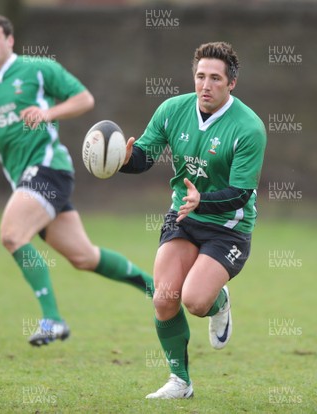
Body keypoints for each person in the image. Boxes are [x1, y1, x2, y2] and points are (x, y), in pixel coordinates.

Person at [0, 13, 153, 347]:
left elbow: (84, 99)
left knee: (11, 235)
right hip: (26, 180)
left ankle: (52, 319)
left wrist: (48, 113)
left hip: (48, 168)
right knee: (84, 257)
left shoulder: (37, 69)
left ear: (9, 40)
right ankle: (157, 289)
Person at [120, 41, 266, 398]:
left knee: (196, 301)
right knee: (164, 297)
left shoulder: (249, 128)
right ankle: (180, 382)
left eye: (215, 78)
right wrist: (123, 160)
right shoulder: (173, 110)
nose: (205, 85)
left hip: (228, 227)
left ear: (231, 83)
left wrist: (204, 199)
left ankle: (219, 302)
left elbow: (241, 194)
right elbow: (145, 156)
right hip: (183, 217)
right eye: (200, 76)